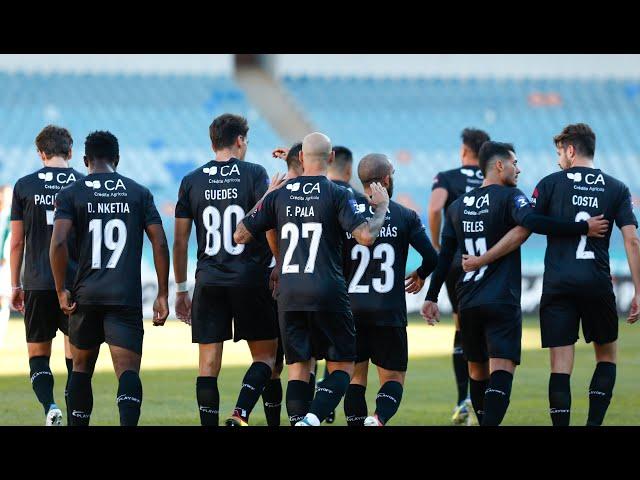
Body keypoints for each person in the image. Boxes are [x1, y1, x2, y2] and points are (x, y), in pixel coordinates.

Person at [462, 124, 640, 426]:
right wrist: (639, 290)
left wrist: (483, 259)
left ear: (571, 150)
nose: (559, 159)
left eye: (560, 152)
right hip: (596, 282)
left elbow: (523, 229)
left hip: (557, 285)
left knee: (560, 367)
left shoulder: (549, 184)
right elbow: (632, 240)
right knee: (607, 358)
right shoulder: (617, 188)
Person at [422, 141, 609, 426]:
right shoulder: (510, 197)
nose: (518, 169)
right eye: (515, 163)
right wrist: (582, 227)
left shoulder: (458, 206)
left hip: (467, 300)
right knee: (502, 372)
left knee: (477, 373)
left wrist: (431, 296)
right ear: (500, 166)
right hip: (500, 298)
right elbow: (533, 221)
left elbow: (445, 254)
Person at [234, 132, 389, 426]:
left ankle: (299, 422)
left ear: (301, 158)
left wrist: (267, 195)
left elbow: (240, 234)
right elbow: (366, 236)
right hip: (326, 290)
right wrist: (381, 207)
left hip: (289, 293)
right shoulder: (338, 193)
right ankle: (313, 419)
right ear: (330, 158)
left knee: (298, 368)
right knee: (343, 366)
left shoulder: (279, 195)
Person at [50, 130, 169, 426]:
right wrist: (163, 292)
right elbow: (160, 242)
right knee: (127, 371)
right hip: (124, 296)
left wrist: (60, 289)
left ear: (85, 160)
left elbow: (58, 243)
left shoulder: (71, 193)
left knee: (80, 369)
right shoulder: (139, 192)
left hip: (85, 295)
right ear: (117, 159)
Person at [173, 113, 284, 427]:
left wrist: (181, 288)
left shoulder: (191, 180)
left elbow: (180, 242)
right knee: (266, 358)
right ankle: (240, 413)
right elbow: (266, 225)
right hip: (250, 277)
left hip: (208, 279)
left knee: (207, 366)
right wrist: (277, 262)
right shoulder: (254, 174)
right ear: (240, 141)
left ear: (212, 143)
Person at [342, 153, 438, 426]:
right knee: (393, 379)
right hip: (388, 311)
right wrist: (420, 275)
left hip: (352, 311)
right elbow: (432, 257)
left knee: (355, 378)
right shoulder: (405, 215)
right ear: (386, 179)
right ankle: (378, 419)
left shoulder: (347, 213)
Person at [9, 125, 84, 425]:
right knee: (76, 360)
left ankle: (51, 408)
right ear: (70, 151)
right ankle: (76, 414)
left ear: (41, 153)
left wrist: (15, 283)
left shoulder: (24, 186)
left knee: (38, 356)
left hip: (38, 282)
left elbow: (16, 242)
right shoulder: (84, 184)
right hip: (74, 284)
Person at [428, 128, 489, 424]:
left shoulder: (447, 177)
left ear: (464, 151)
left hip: (458, 262)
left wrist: (441, 244)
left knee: (462, 326)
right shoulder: (495, 178)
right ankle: (486, 397)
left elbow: (435, 206)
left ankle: (463, 397)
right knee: (491, 325)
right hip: (491, 261)